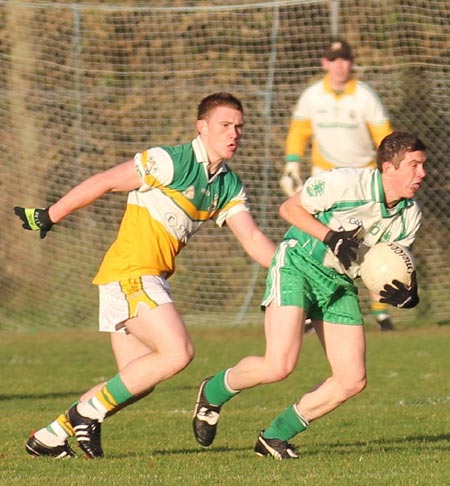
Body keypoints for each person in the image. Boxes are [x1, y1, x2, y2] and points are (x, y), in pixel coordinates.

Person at [14, 92, 276, 459]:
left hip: (143, 277)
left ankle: (50, 435)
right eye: (225, 125)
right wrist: (50, 215)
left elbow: (251, 237)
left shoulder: (227, 184)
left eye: (239, 127)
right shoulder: (169, 161)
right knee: (178, 352)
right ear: (201, 127)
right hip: (131, 273)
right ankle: (84, 414)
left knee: (138, 382)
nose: (234, 133)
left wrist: (289, 267)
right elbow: (105, 180)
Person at [193, 131, 426, 459]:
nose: (422, 174)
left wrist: (403, 294)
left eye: (423, 166)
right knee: (278, 365)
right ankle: (213, 390)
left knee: (352, 380)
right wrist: (330, 236)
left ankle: (274, 436)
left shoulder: (410, 216)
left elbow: (378, 270)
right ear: (389, 168)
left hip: (338, 285)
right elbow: (289, 209)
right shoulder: (346, 183)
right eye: (414, 165)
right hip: (298, 265)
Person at [279, 38, 395, 331]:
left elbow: (384, 137)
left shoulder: (365, 96)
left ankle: (381, 312)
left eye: (344, 59)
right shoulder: (312, 96)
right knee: (319, 241)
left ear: (351, 62)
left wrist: (388, 172)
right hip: (326, 179)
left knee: (371, 244)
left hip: (363, 179)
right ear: (325, 63)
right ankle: (310, 306)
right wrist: (292, 163)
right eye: (334, 59)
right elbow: (299, 132)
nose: (339, 65)